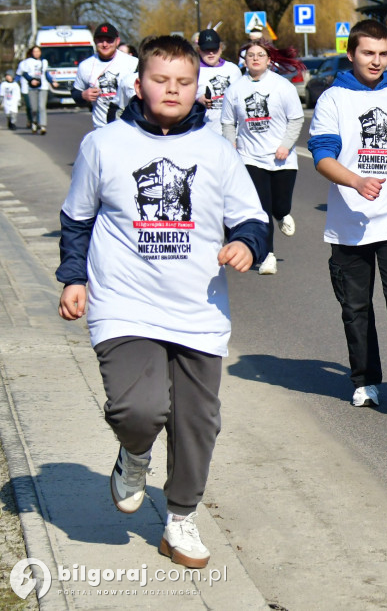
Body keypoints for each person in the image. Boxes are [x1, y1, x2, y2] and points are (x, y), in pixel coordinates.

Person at [55, 34, 269, 569]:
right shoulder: (103, 145)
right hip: (123, 301)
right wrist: (73, 277)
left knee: (198, 420)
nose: (171, 90)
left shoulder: (216, 151)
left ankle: (180, 517)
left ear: (198, 89)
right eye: (160, 80)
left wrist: (245, 243)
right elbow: (77, 218)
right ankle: (134, 453)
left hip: (198, 308)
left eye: (183, 82)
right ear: (139, 83)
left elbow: (251, 217)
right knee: (140, 408)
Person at [307, 19, 387, 412]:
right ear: (352, 54)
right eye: (368, 53)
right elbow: (322, 157)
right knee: (356, 307)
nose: (377, 61)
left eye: (383, 54)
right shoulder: (334, 99)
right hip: (349, 223)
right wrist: (355, 181)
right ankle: (365, 380)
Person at [221, 38, 305, 275]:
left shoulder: (282, 86)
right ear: (244, 61)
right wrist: (232, 146)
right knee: (262, 207)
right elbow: (228, 122)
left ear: (269, 60)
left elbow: (296, 119)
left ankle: (282, 214)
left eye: (260, 55)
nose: (255, 58)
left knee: (280, 205)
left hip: (282, 158)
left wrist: (286, 146)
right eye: (250, 55)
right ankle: (268, 255)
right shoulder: (235, 89)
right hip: (250, 157)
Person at [72, 22, 139, 129]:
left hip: (129, 126)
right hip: (101, 127)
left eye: (109, 40)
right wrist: (83, 95)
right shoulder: (85, 66)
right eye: (100, 40)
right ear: (94, 41)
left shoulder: (133, 63)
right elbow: (75, 92)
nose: (104, 44)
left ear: (117, 41)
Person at [195, 29, 241, 136]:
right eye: (206, 49)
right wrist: (198, 100)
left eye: (214, 49)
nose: (211, 53)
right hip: (205, 131)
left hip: (233, 132)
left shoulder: (233, 70)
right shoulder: (193, 70)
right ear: (199, 50)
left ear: (220, 48)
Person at [16, 46, 57, 135]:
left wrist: (52, 82)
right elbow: (24, 74)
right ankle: (34, 123)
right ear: (32, 52)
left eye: (38, 51)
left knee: (41, 107)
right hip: (32, 87)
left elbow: (46, 74)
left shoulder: (44, 62)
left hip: (43, 87)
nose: (37, 53)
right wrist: (31, 80)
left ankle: (42, 126)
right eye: (35, 51)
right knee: (33, 108)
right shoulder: (27, 62)